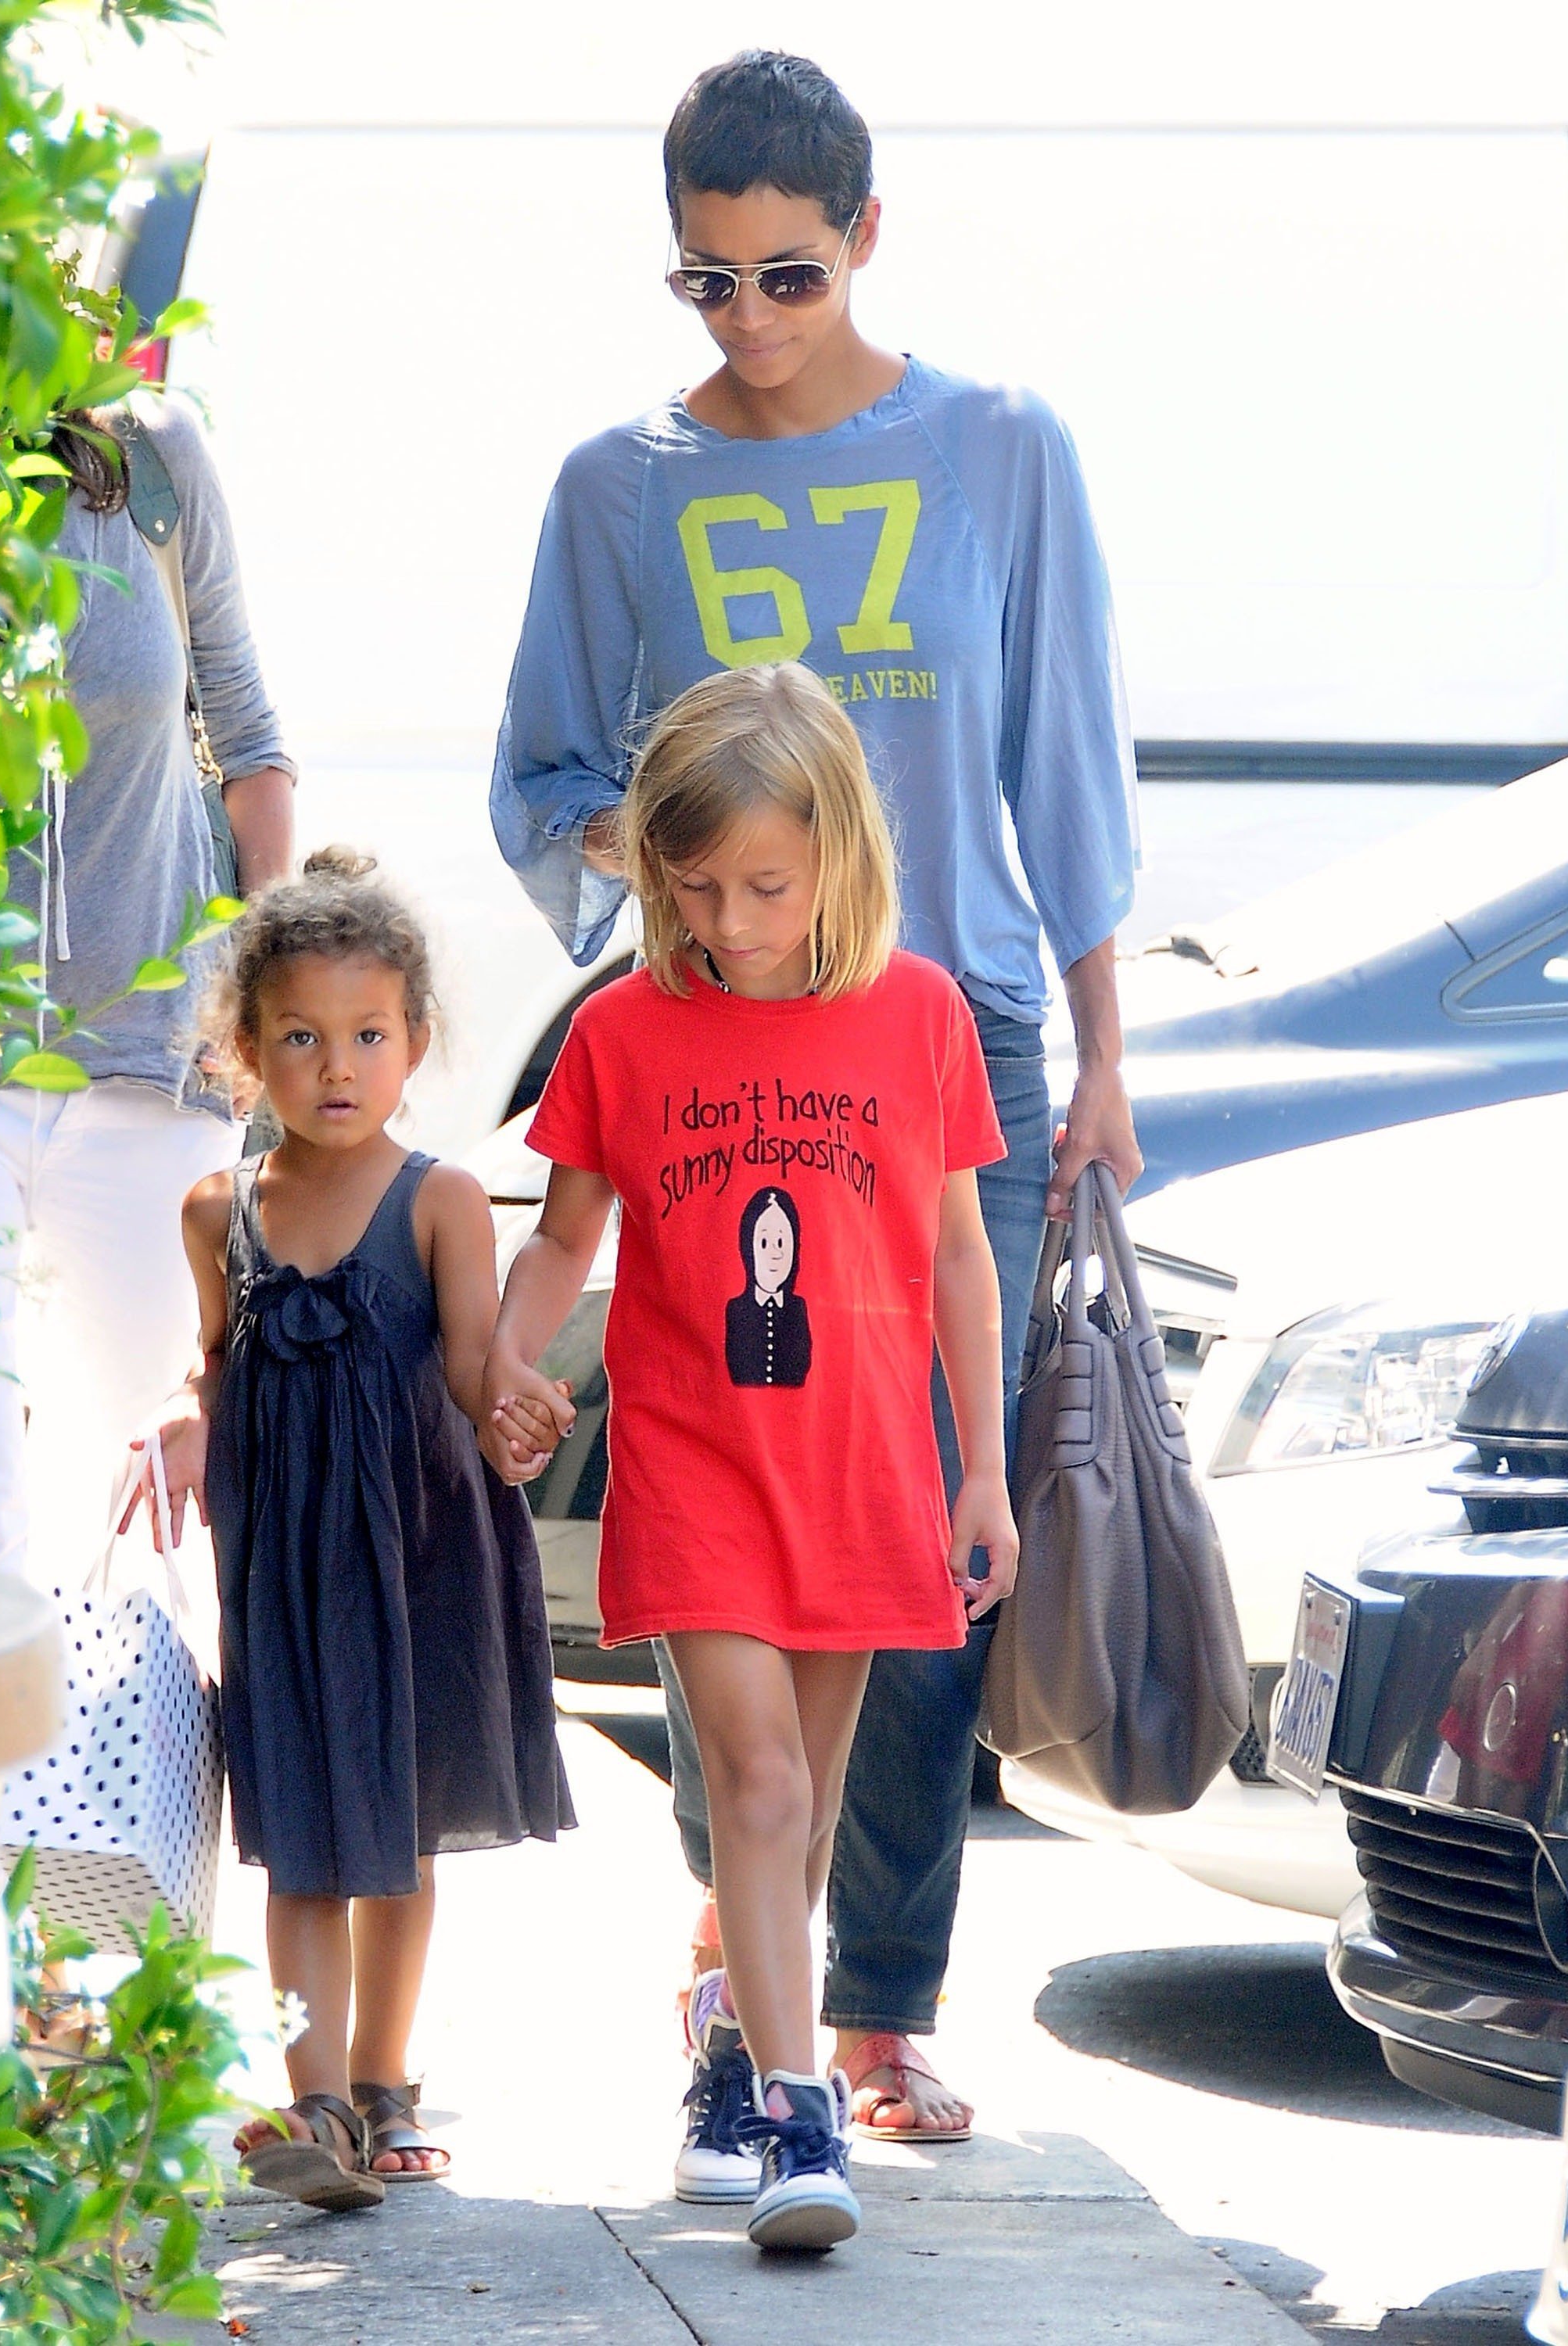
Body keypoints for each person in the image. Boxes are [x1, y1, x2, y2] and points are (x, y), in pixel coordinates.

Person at [490, 48, 1143, 2149]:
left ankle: (874, 2009)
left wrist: (1101, 1051)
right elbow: (542, 776)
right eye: (705, 281)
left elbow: (1062, 758)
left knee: (925, 1541)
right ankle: (740, 1926)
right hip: (713, 1053)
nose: (748, 319)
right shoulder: (618, 484)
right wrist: (693, 863)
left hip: (953, 1035)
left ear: (865, 236)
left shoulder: (996, 448)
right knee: (714, 1507)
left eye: (786, 274)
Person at [482, 664, 1017, 2251]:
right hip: (694, 1464)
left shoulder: (920, 1015)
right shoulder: (622, 1030)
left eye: (765, 886)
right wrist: (502, 1359)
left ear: (839, 852)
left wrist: (980, 1472)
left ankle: (728, 2042)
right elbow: (561, 1237)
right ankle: (799, 2115)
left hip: (861, 1471)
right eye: (697, 887)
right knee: (760, 1786)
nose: (729, 920)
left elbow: (961, 1257)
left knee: (811, 1803)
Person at [0, 392, 295, 1868]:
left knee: (166, 1497)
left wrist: (260, 986)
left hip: (150, 1061)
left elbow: (249, 737)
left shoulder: (152, 461)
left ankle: (143, 1912)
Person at [148, 848, 574, 2210]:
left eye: (369, 1036)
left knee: (401, 1831)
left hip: (416, 1557)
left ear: (416, 1045)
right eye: (300, 1038)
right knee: (301, 1835)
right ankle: (314, 2102)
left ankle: (385, 2084)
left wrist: (515, 1406)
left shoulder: (440, 1201)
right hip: (282, 1573)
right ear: (244, 1051)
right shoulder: (217, 1211)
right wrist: (182, 1416)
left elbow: (473, 1366)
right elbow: (211, 1364)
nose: (337, 1066)